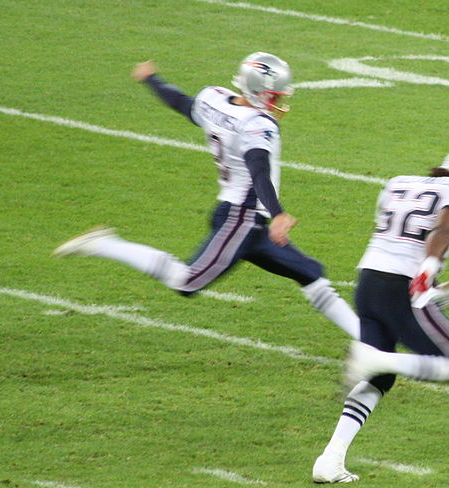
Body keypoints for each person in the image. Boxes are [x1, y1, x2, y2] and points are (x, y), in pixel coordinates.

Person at [54, 52, 359, 340]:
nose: (279, 102)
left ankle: (369, 343)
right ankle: (107, 245)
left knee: (311, 274)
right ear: (261, 93)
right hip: (243, 217)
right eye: (276, 95)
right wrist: (277, 213)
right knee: (186, 281)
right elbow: (258, 169)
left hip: (245, 218)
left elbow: (182, 104)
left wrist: (152, 80)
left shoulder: (216, 100)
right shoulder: (257, 125)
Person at [312, 148, 449, 483]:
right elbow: (445, 224)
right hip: (406, 286)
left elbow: (395, 235)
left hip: (369, 280)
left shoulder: (399, 182)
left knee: (378, 380)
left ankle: (330, 459)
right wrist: (428, 270)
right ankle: (375, 359)